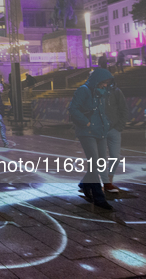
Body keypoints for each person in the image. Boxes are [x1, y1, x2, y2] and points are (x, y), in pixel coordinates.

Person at [69, 68, 114, 210]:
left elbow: (102, 111)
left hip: (100, 131)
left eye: (107, 83)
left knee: (100, 164)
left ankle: (84, 183)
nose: (105, 85)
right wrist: (86, 122)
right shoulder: (84, 90)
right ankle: (98, 198)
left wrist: (106, 123)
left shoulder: (101, 92)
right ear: (97, 80)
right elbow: (73, 109)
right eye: (104, 83)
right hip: (87, 132)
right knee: (95, 162)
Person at [104, 79, 129, 193]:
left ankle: (109, 181)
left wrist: (119, 126)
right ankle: (92, 183)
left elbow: (123, 109)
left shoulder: (116, 92)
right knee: (99, 158)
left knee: (115, 156)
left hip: (114, 130)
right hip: (100, 131)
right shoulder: (94, 91)